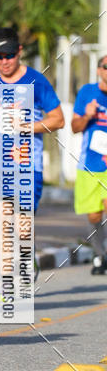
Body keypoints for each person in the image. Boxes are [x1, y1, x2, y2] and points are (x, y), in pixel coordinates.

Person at [0, 27, 64, 293]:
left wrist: (28, 126)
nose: (4, 61)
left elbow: (58, 120)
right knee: (0, 223)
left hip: (26, 166)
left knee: (21, 229)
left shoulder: (37, 82)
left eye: (9, 55)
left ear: (19, 52)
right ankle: (7, 284)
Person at [72, 55, 107, 274]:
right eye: (106, 66)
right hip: (91, 165)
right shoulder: (87, 92)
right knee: (94, 215)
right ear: (99, 70)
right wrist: (87, 115)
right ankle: (100, 254)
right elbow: (75, 127)